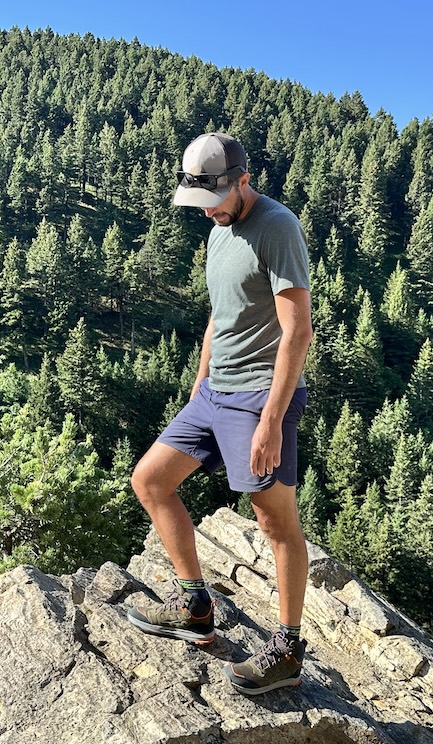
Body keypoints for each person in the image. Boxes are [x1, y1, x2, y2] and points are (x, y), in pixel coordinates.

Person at [126, 132, 313, 696]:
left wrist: (271, 420)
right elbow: (220, 313)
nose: (207, 211)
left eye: (214, 200)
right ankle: (195, 607)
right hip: (215, 392)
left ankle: (287, 651)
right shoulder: (219, 229)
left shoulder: (277, 228)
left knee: (274, 520)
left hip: (260, 396)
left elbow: (297, 330)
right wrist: (200, 382)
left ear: (243, 181)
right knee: (151, 480)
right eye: (199, 201)